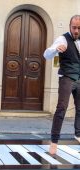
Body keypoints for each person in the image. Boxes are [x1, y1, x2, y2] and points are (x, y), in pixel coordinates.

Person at [44, 15, 80, 155]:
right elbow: (46, 55)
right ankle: (54, 141)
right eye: (74, 27)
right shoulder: (62, 39)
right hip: (66, 77)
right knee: (61, 108)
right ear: (69, 26)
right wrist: (55, 49)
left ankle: (78, 134)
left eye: (79, 28)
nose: (76, 30)